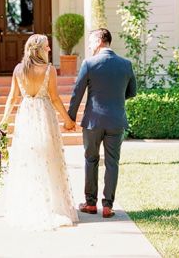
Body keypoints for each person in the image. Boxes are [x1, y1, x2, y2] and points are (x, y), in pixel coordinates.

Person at [0, 33, 78, 231]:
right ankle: (50, 206)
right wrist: (68, 120)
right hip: (44, 116)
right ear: (39, 49)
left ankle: (30, 205)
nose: (49, 49)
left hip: (26, 116)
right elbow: (55, 98)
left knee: (29, 158)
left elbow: (12, 98)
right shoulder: (49, 70)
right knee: (49, 158)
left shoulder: (18, 69)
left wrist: (4, 121)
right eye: (47, 46)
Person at [68, 28, 137, 218]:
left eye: (91, 41)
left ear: (99, 41)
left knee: (91, 160)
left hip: (93, 121)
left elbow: (77, 93)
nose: (89, 45)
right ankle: (108, 206)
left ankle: (91, 204)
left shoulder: (89, 63)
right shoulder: (126, 64)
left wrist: (70, 118)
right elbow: (132, 92)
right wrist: (115, 99)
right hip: (116, 121)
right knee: (112, 162)